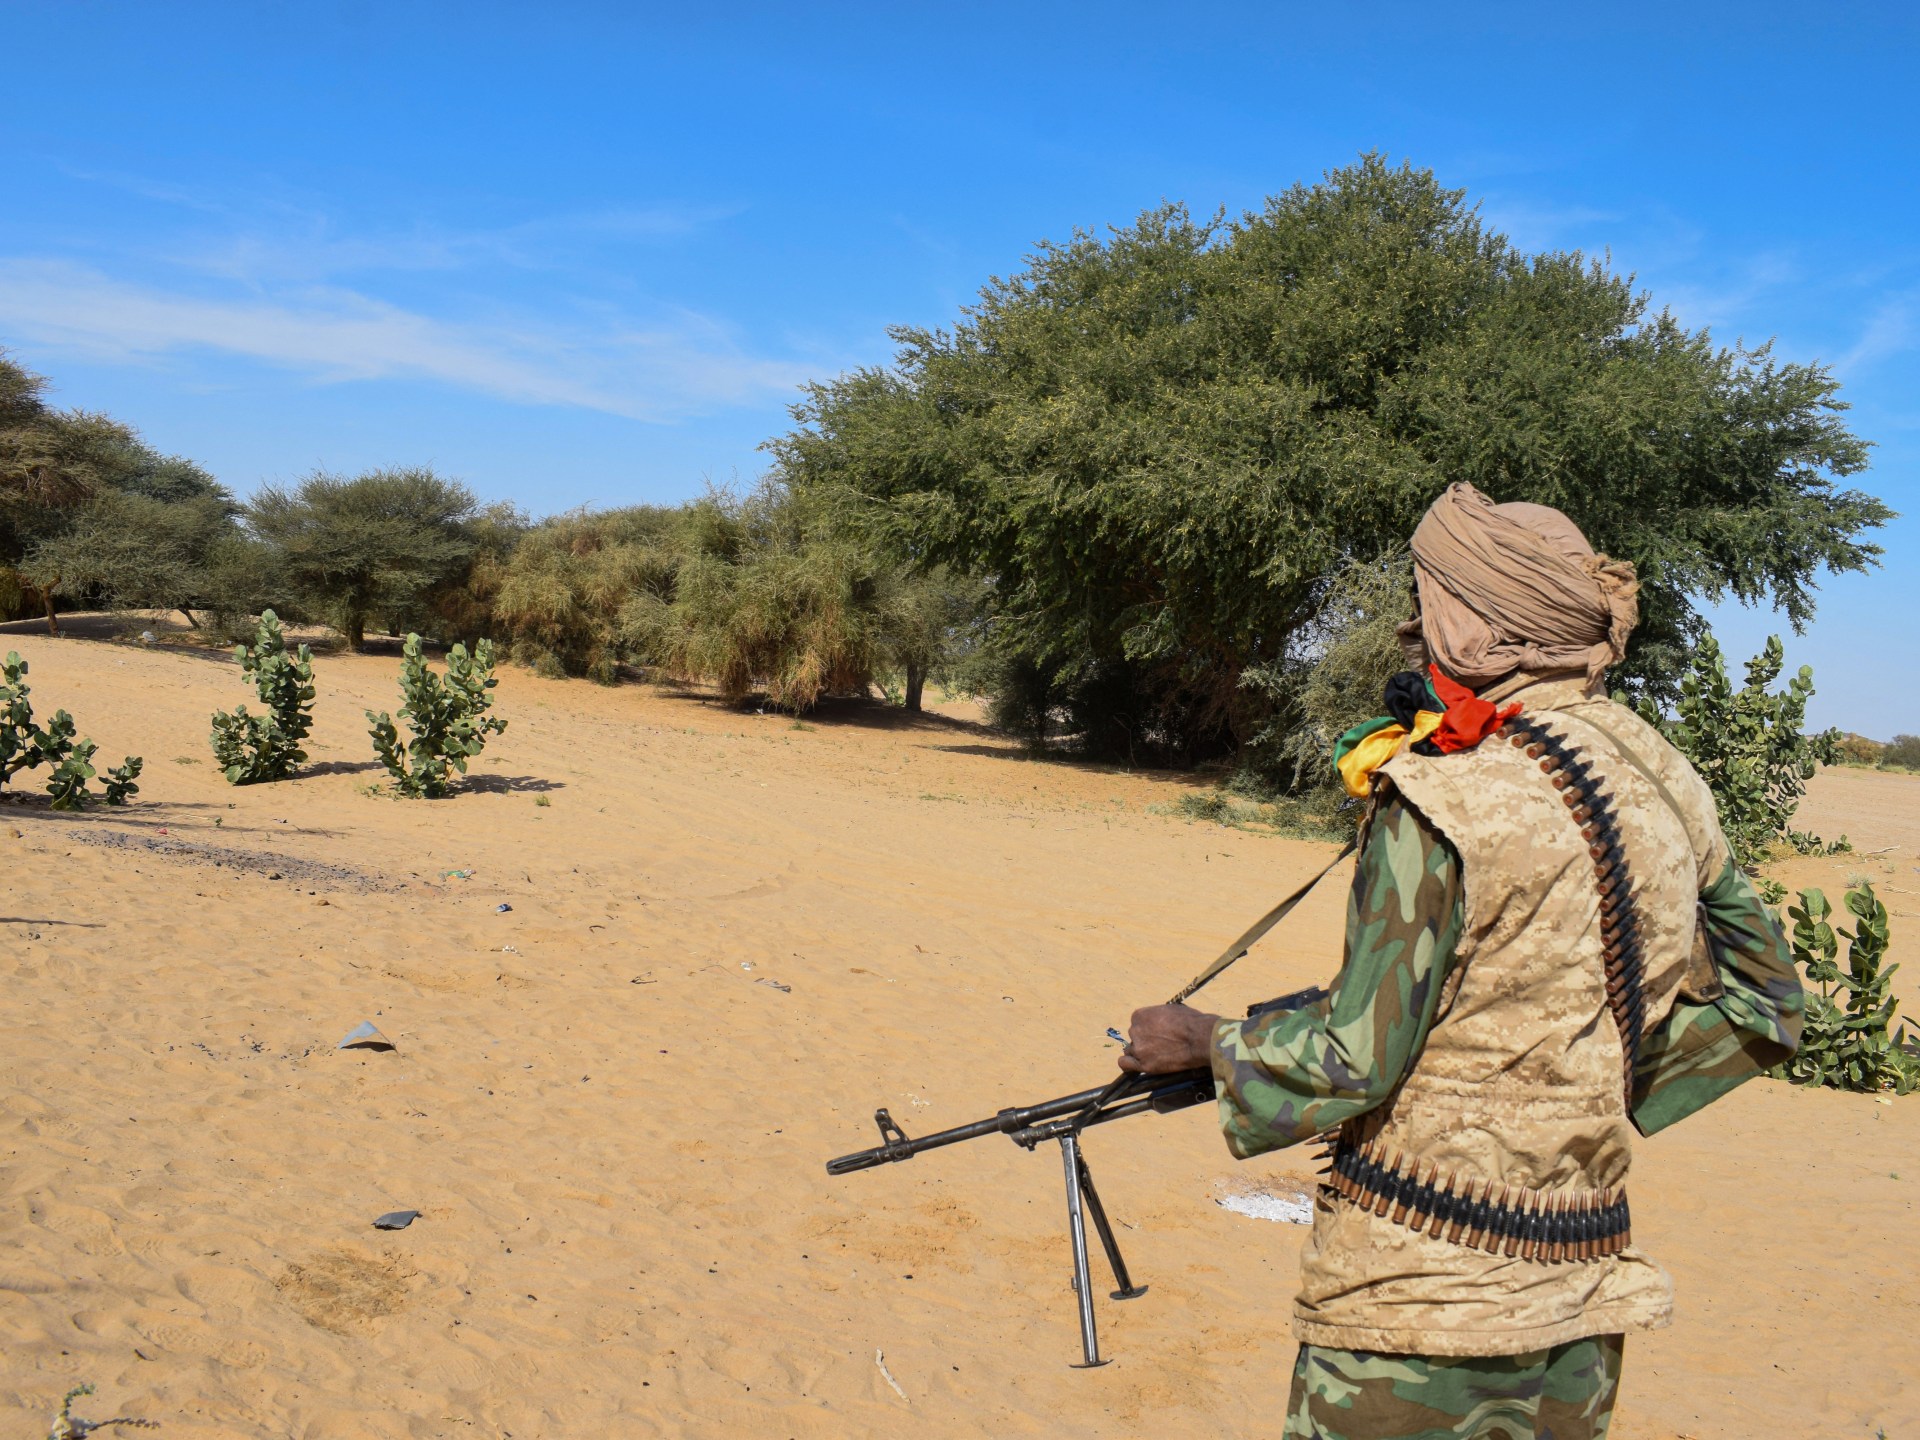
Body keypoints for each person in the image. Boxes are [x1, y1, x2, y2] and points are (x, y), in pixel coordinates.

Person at [1121, 483, 1803, 1440]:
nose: (1415, 636)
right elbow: (1768, 1004)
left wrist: (1209, 1044)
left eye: (1428, 605)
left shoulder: (1443, 797)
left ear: (1478, 625)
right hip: (1583, 1297)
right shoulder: (1666, 778)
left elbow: (1356, 1059)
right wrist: (1591, 1084)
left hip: (1415, 1300)